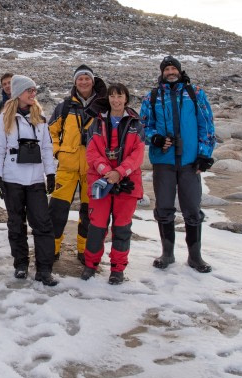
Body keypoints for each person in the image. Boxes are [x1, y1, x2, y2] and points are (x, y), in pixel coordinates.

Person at [139, 56, 216, 273]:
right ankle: (167, 253)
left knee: (192, 208)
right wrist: (155, 138)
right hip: (163, 161)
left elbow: (207, 125)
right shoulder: (153, 97)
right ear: (162, 73)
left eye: (174, 68)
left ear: (180, 71)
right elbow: (143, 126)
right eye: (167, 69)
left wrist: (204, 154)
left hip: (191, 161)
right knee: (163, 207)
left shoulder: (195, 94)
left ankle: (195, 257)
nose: (170, 72)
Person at [0, 75, 59, 286]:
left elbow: (47, 148)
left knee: (42, 224)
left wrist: (50, 173)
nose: (33, 94)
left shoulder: (40, 117)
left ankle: (44, 269)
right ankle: (21, 264)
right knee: (16, 224)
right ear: (19, 92)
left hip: (35, 178)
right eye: (29, 90)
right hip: (12, 178)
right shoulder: (5, 118)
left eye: (34, 91)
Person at [82, 83, 144, 284]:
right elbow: (92, 152)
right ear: (107, 99)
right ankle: (90, 265)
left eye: (120, 96)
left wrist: (120, 172)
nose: (116, 100)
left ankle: (117, 269)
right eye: (112, 96)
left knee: (122, 228)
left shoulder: (136, 124)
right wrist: (107, 172)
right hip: (101, 182)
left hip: (127, 183)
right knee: (97, 227)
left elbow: (137, 155)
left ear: (126, 98)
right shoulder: (97, 123)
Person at [48, 64, 108, 263]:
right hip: (67, 166)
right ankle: (53, 249)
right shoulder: (64, 107)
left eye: (87, 78)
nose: (83, 82)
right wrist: (58, 152)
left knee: (89, 213)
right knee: (57, 211)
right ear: (75, 82)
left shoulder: (103, 107)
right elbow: (50, 132)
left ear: (93, 80)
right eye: (80, 78)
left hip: (93, 169)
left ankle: (85, 251)